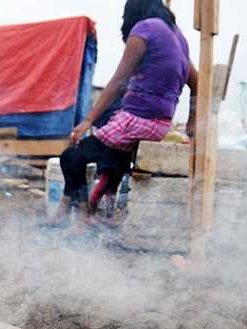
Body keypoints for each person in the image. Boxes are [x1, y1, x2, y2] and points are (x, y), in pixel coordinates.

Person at [48, 0, 197, 229]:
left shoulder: (145, 28)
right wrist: (192, 122)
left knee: (71, 157)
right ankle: (78, 209)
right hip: (160, 123)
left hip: (138, 120)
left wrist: (86, 121)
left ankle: (84, 217)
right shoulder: (178, 37)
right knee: (112, 151)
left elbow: (118, 82)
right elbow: (196, 83)